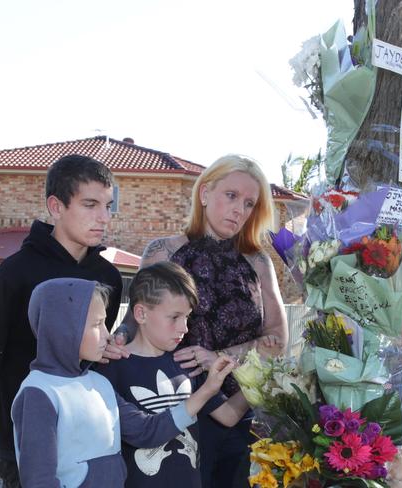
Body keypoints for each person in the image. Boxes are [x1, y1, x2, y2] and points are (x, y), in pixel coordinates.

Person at [121, 154, 289, 488]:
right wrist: (113, 341)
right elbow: (132, 324)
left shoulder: (257, 263)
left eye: (249, 203)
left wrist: (221, 357)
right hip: (174, 409)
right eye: (231, 196)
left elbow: (278, 340)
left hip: (241, 409)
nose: (239, 209)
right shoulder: (163, 252)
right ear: (204, 194)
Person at [0, 154, 125, 487]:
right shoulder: (15, 271)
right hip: (23, 426)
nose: (103, 218)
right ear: (56, 206)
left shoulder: (108, 276)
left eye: (108, 206)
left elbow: (95, 349)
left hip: (84, 429)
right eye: (90, 204)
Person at [12, 277, 236, 487]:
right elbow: (38, 480)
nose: (108, 334)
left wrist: (208, 389)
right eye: (97, 324)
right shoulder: (39, 393)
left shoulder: (99, 383)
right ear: (64, 328)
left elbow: (147, 431)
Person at [97, 262, 250, 488]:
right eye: (174, 317)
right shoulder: (111, 367)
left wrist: (259, 383)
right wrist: (208, 389)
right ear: (140, 313)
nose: (184, 328)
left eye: (187, 317)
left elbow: (228, 415)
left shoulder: (186, 363)